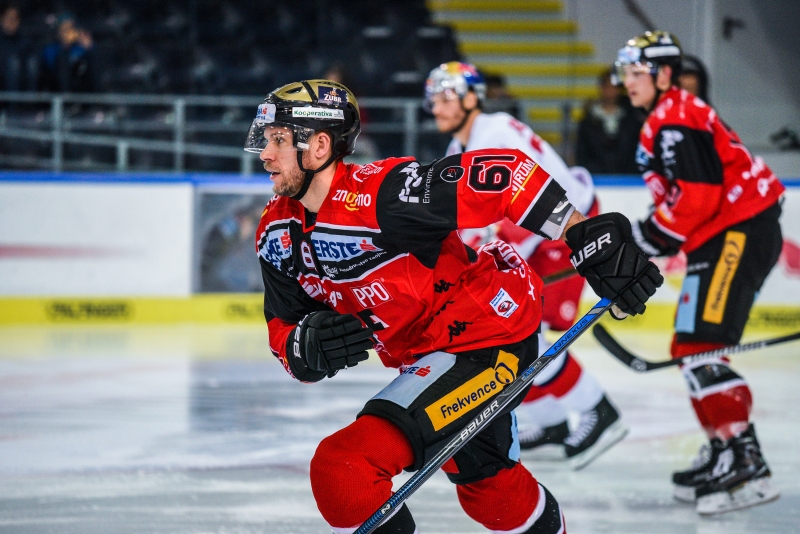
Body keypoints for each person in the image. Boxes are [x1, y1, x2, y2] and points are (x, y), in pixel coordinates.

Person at [246, 78, 662, 533]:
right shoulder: (277, 230)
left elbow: (505, 175)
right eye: (267, 140)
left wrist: (583, 233)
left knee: (344, 468)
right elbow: (282, 323)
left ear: (320, 144)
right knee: (493, 496)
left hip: (487, 334)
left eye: (279, 140)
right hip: (431, 354)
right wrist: (300, 346)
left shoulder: (381, 193)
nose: (265, 153)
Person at [425, 61, 629, 470]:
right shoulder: (462, 145)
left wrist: (487, 243)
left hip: (567, 230)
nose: (436, 107)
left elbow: (537, 200)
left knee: (525, 336)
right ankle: (552, 424)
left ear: (471, 98)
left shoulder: (494, 133)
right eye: (433, 99)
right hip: (539, 235)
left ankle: (599, 411)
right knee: (505, 334)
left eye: (446, 96)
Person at [614, 30, 784, 515]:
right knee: (689, 348)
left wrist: (646, 239)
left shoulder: (674, 118)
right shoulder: (670, 116)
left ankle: (745, 458)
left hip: (739, 232)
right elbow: (685, 201)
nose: (627, 81)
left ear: (663, 74)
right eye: (624, 71)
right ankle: (723, 448)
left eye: (636, 71)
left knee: (701, 347)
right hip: (724, 235)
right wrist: (648, 238)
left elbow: (698, 197)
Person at [575, 68, 643, 174]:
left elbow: (635, 150)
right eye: (607, 86)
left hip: (628, 178)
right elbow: (582, 153)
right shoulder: (588, 121)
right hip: (597, 177)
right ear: (601, 88)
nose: (611, 91)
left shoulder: (633, 118)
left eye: (614, 87)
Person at [37, 12, 94, 93]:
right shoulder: (51, 48)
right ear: (58, 31)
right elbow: (51, 64)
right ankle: (67, 100)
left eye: (71, 28)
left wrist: (89, 47)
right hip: (58, 85)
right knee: (62, 59)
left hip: (79, 83)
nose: (68, 32)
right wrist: (65, 46)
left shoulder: (80, 47)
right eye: (65, 29)